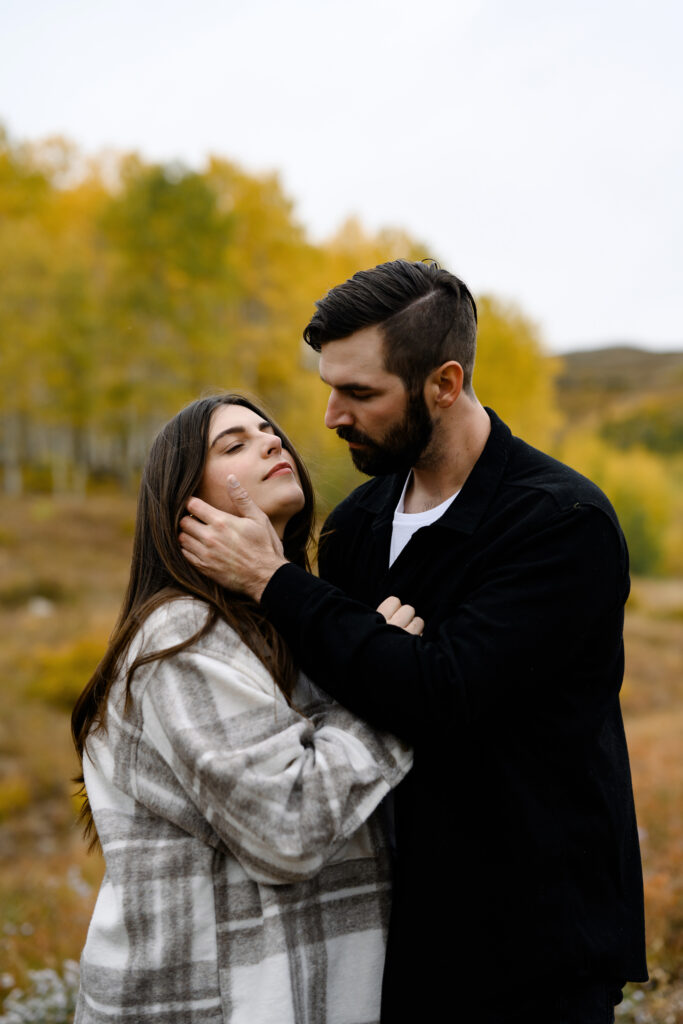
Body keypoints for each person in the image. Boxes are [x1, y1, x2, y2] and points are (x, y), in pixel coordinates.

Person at [179, 261, 648, 1024]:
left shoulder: (558, 523)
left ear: (444, 383)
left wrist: (274, 581)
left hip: (535, 949)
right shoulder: (356, 524)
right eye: (330, 387)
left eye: (360, 394)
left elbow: (441, 695)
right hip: (397, 937)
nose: (330, 416)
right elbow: (350, 694)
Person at [71, 392, 415, 1024]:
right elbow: (289, 829)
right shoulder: (181, 637)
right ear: (187, 505)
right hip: (206, 1002)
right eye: (233, 445)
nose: (272, 442)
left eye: (269, 432)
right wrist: (391, 682)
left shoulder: (299, 620)